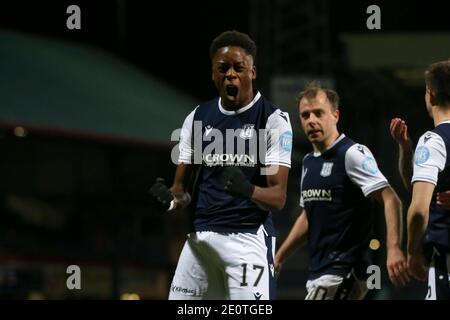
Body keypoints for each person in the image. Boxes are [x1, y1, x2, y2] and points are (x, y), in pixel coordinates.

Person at [150, 30, 292, 300]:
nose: (230, 74)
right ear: (213, 74)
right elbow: (182, 191)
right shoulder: (198, 116)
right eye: (223, 68)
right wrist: (170, 200)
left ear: (252, 72)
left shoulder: (273, 119)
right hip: (202, 239)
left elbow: (279, 198)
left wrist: (247, 190)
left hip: (247, 237)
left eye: (239, 68)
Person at [275, 82, 409, 300]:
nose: (311, 120)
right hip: (319, 273)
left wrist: (393, 249)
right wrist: (279, 257)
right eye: (305, 115)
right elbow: (308, 216)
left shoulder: (352, 153)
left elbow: (391, 199)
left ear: (335, 115)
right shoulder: (309, 162)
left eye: (318, 113)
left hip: (345, 273)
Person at [390, 60, 450, 300]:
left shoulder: (434, 140)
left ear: (430, 94)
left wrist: (412, 251)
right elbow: (413, 185)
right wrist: (406, 148)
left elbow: (418, 210)